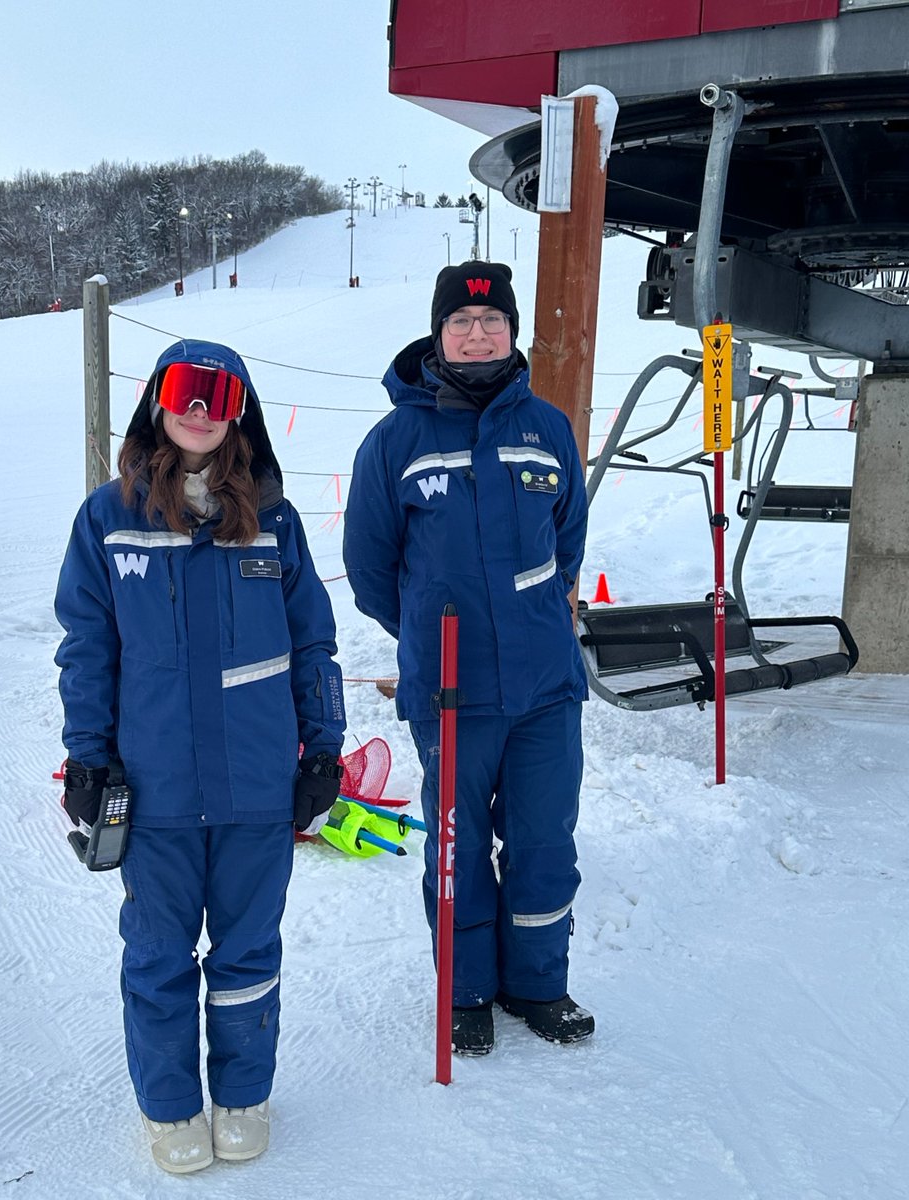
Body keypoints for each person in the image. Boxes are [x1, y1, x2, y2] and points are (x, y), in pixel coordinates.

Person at [54, 339, 346, 1174]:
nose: (199, 409)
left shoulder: (274, 522)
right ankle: (171, 1107)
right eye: (184, 391)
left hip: (255, 787)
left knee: (250, 954)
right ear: (156, 400)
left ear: (239, 413)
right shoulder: (107, 520)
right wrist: (87, 760)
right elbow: (86, 648)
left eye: (219, 397)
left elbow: (313, 645)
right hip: (156, 794)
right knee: (157, 958)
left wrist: (321, 751)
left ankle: (243, 1096)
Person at [343, 261, 593, 1056]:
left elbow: (567, 541)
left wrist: (528, 615)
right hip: (450, 687)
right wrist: (425, 620)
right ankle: (467, 991)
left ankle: (536, 984)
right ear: (438, 333)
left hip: (545, 686)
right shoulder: (395, 440)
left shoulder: (547, 429)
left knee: (544, 841)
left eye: (491, 323)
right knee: (454, 847)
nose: (477, 334)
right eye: (462, 323)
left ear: (512, 332)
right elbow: (369, 567)